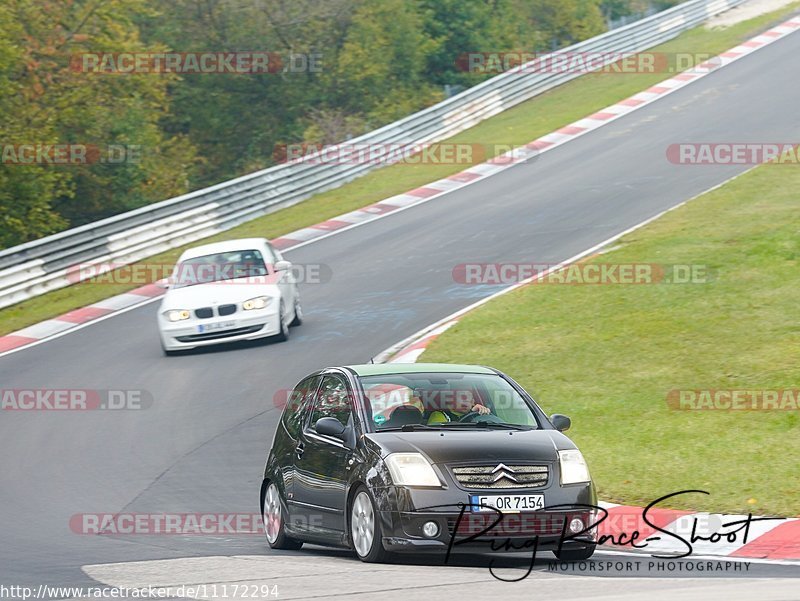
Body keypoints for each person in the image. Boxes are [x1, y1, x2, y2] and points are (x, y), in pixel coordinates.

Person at [424, 389, 490, 424]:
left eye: (470, 399)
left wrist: (486, 414)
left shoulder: (477, 414)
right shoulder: (439, 415)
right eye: (463, 397)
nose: (467, 401)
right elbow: (438, 436)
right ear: (451, 399)